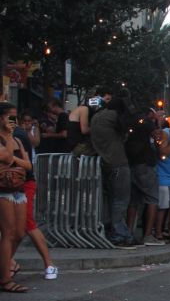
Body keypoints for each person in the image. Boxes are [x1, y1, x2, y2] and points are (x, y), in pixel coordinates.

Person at [11, 110, 57, 279]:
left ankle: (49, 264)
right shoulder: (15, 134)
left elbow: (26, 164)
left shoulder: (17, 135)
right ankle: (8, 262)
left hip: (21, 185)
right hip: (13, 186)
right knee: (13, 229)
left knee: (26, 224)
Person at [90, 96, 133, 245]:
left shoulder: (97, 116)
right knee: (120, 200)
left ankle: (108, 228)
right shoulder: (114, 116)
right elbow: (125, 129)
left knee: (108, 199)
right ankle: (119, 232)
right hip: (117, 162)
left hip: (103, 162)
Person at [0, 102, 31, 293]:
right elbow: (6, 157)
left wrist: (14, 161)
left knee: (19, 233)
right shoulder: (10, 138)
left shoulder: (18, 139)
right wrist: (10, 136)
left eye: (15, 116)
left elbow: (28, 165)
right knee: (8, 232)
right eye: (9, 116)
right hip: (3, 189)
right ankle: (5, 278)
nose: (13, 120)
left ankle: (4, 266)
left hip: (18, 188)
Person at [124, 106, 162, 246]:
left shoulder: (132, 124)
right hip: (145, 165)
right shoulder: (148, 124)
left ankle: (129, 233)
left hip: (131, 164)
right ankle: (147, 235)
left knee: (133, 200)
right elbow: (158, 137)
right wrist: (158, 122)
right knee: (152, 198)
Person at [67, 88, 111, 156]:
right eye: (107, 99)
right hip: (79, 146)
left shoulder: (89, 110)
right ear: (97, 98)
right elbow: (84, 130)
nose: (108, 102)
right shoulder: (84, 109)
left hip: (80, 145)